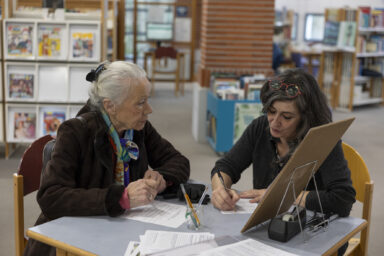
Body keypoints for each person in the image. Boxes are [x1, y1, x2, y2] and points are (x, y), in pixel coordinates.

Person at [24, 61, 190, 256]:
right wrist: (120, 198)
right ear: (110, 105)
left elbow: (179, 162)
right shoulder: (76, 132)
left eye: (147, 100)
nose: (149, 109)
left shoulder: (137, 127)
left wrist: (161, 178)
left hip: (120, 230)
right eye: (140, 102)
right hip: (70, 241)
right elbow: (51, 197)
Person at [211, 69, 355, 238]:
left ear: (305, 118)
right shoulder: (260, 127)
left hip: (314, 231)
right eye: (271, 111)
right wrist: (220, 189)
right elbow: (225, 166)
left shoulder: (324, 139)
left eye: (286, 117)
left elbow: (342, 199)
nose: (274, 122)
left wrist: (278, 196)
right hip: (268, 227)